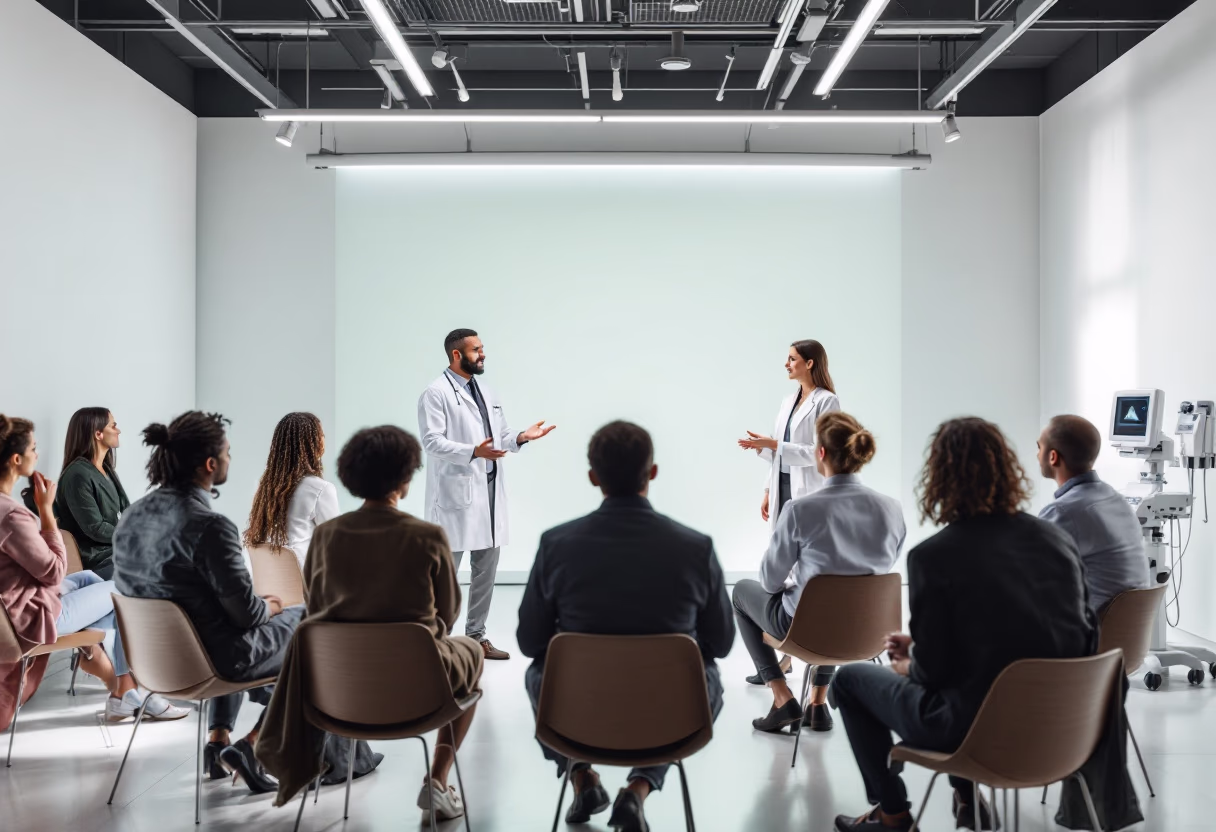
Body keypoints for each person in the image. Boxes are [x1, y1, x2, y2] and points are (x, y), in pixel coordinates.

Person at [832, 418, 1097, 832]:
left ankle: (893, 815)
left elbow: (933, 674)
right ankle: (968, 800)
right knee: (971, 684)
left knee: (848, 680)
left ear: (939, 477)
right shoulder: (1057, 540)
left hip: (975, 732)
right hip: (1066, 728)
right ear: (1008, 469)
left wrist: (909, 663)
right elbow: (1067, 635)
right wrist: (921, 650)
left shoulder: (933, 557)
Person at [517, 421, 735, 832]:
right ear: (652, 472)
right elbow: (722, 644)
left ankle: (582, 775)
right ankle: (638, 789)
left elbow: (529, 642)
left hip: (577, 716)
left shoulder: (555, 545)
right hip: (670, 716)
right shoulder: (695, 547)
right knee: (708, 679)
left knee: (539, 674)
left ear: (593, 477)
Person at [258, 426, 479, 820]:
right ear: (406, 479)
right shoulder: (427, 536)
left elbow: (318, 604)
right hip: (419, 689)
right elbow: (447, 616)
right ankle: (438, 782)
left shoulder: (326, 537)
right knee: (472, 651)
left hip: (338, 690)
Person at [113, 412, 305, 794]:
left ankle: (217, 740)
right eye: (228, 453)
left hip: (153, 668)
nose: (231, 460)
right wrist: (271, 605)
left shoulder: (130, 517)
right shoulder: (209, 525)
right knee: (313, 625)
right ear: (210, 464)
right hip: (215, 660)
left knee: (221, 620)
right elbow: (248, 615)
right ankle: (253, 746)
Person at [0, 415, 186, 731]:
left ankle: (124, 690)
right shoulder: (13, 515)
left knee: (92, 584)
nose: (37, 453)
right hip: (32, 617)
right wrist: (46, 514)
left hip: (22, 602)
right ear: (17, 460)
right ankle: (130, 690)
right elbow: (54, 571)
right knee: (128, 590)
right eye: (34, 448)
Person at [733, 412, 904, 735]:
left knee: (741, 592)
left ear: (820, 453)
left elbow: (769, 581)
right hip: (869, 632)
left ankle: (782, 697)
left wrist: (795, 583)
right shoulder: (892, 508)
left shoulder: (800, 510)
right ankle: (817, 703)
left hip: (807, 630)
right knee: (841, 603)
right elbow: (883, 567)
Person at [418, 328, 556, 661]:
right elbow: (432, 441)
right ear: (456, 355)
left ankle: (477, 637)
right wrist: (473, 452)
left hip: (489, 493)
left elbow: (501, 435)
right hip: (455, 495)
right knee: (444, 576)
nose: (483, 354)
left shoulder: (486, 390)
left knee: (485, 572)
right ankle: (436, 641)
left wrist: (522, 436)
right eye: (476, 349)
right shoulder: (435, 394)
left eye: (482, 348)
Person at [1037, 414, 1147, 614]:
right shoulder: (1116, 498)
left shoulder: (1063, 512)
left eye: (1039, 447)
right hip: (1128, 635)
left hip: (1090, 636)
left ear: (1053, 457)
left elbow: (1022, 572)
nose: (1037, 455)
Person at [738, 339, 842, 530]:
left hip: (808, 489)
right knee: (781, 550)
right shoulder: (788, 402)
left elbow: (821, 454)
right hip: (781, 486)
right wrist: (769, 490)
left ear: (809, 363)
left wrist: (774, 444)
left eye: (792, 359)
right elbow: (779, 453)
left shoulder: (827, 401)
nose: (786, 364)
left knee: (806, 550)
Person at [243, 412, 340, 571]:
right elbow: (336, 544)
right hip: (305, 586)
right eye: (321, 435)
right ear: (313, 443)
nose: (324, 439)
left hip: (267, 587)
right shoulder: (320, 489)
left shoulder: (263, 487)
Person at [54, 407, 131, 579]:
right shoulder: (77, 475)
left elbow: (127, 510)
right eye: (113, 426)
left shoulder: (107, 471)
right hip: (100, 561)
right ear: (98, 434)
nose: (118, 431)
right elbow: (95, 528)